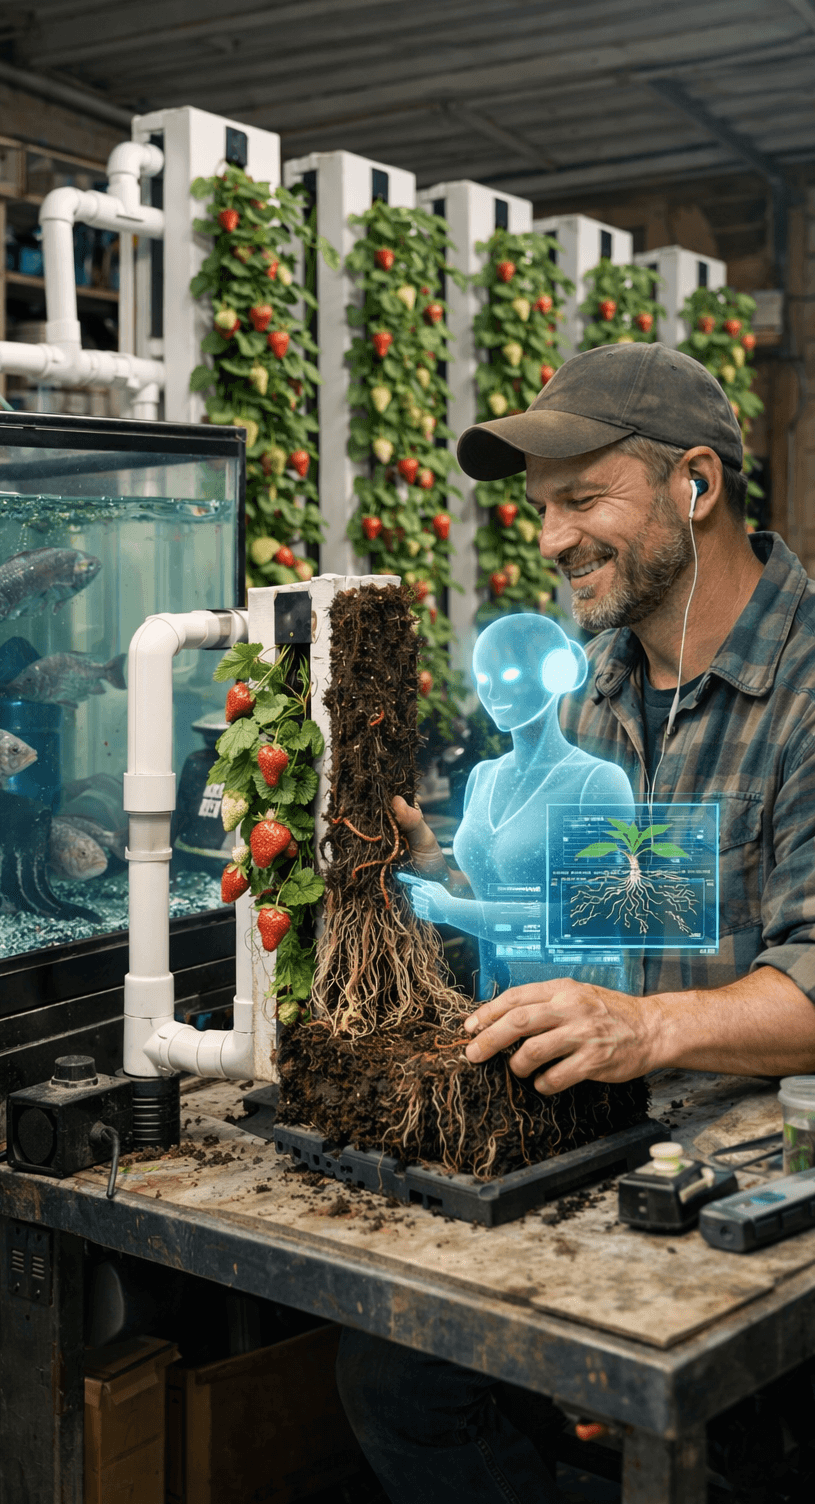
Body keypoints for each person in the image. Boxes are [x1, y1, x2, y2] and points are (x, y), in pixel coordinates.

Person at [336, 341, 815, 1504]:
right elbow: (624, 908)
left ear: (695, 486)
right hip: (613, 1142)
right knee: (394, 1374)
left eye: (582, 500)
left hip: (770, 1192)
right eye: (541, 509)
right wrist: (447, 871)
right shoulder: (598, 688)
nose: (549, 540)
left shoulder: (803, 689)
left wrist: (643, 1030)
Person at [402, 613, 634, 994]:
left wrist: (452, 911)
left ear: (557, 673)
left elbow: (589, 919)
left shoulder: (598, 782)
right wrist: (438, 873)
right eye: (483, 681)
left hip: (575, 1017)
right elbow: (490, 891)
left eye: (508, 677)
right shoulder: (484, 777)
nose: (492, 695)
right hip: (493, 1005)